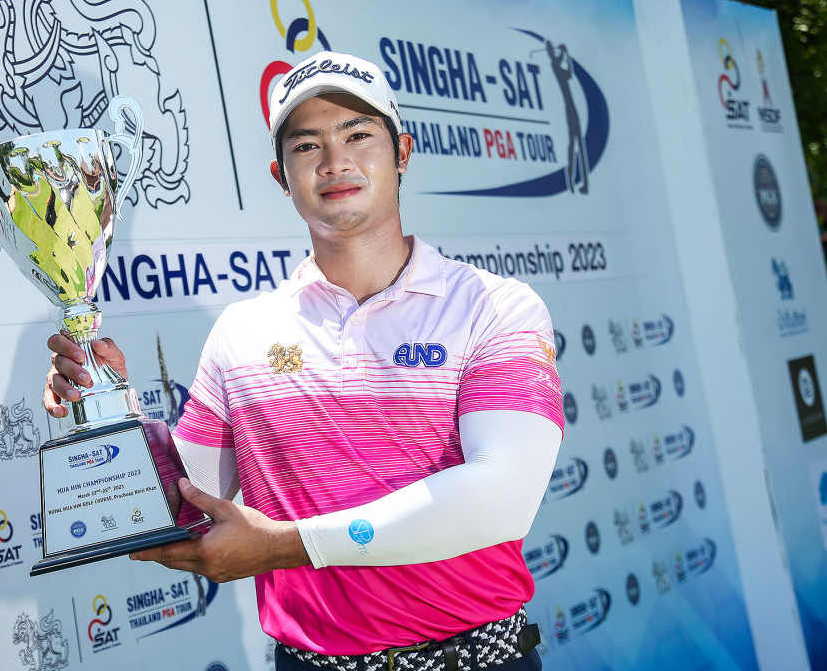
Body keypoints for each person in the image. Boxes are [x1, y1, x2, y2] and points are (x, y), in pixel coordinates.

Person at [44, 51, 564, 671]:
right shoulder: (242, 333)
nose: (334, 161)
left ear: (402, 151)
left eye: (357, 135)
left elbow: (502, 499)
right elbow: (190, 503)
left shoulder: (494, 307)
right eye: (307, 145)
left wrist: (289, 546)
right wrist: (107, 411)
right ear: (280, 175)